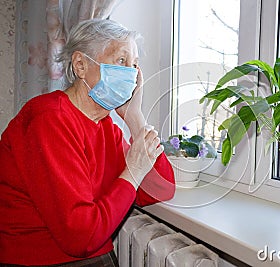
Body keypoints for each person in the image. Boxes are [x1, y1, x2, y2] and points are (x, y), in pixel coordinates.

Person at [0, 19, 175, 266]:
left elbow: (160, 189)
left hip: (92, 255)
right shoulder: (49, 118)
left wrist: (134, 117)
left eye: (135, 65)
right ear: (81, 65)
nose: (132, 74)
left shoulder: (105, 125)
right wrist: (133, 173)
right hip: (42, 260)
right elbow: (81, 237)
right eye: (121, 61)